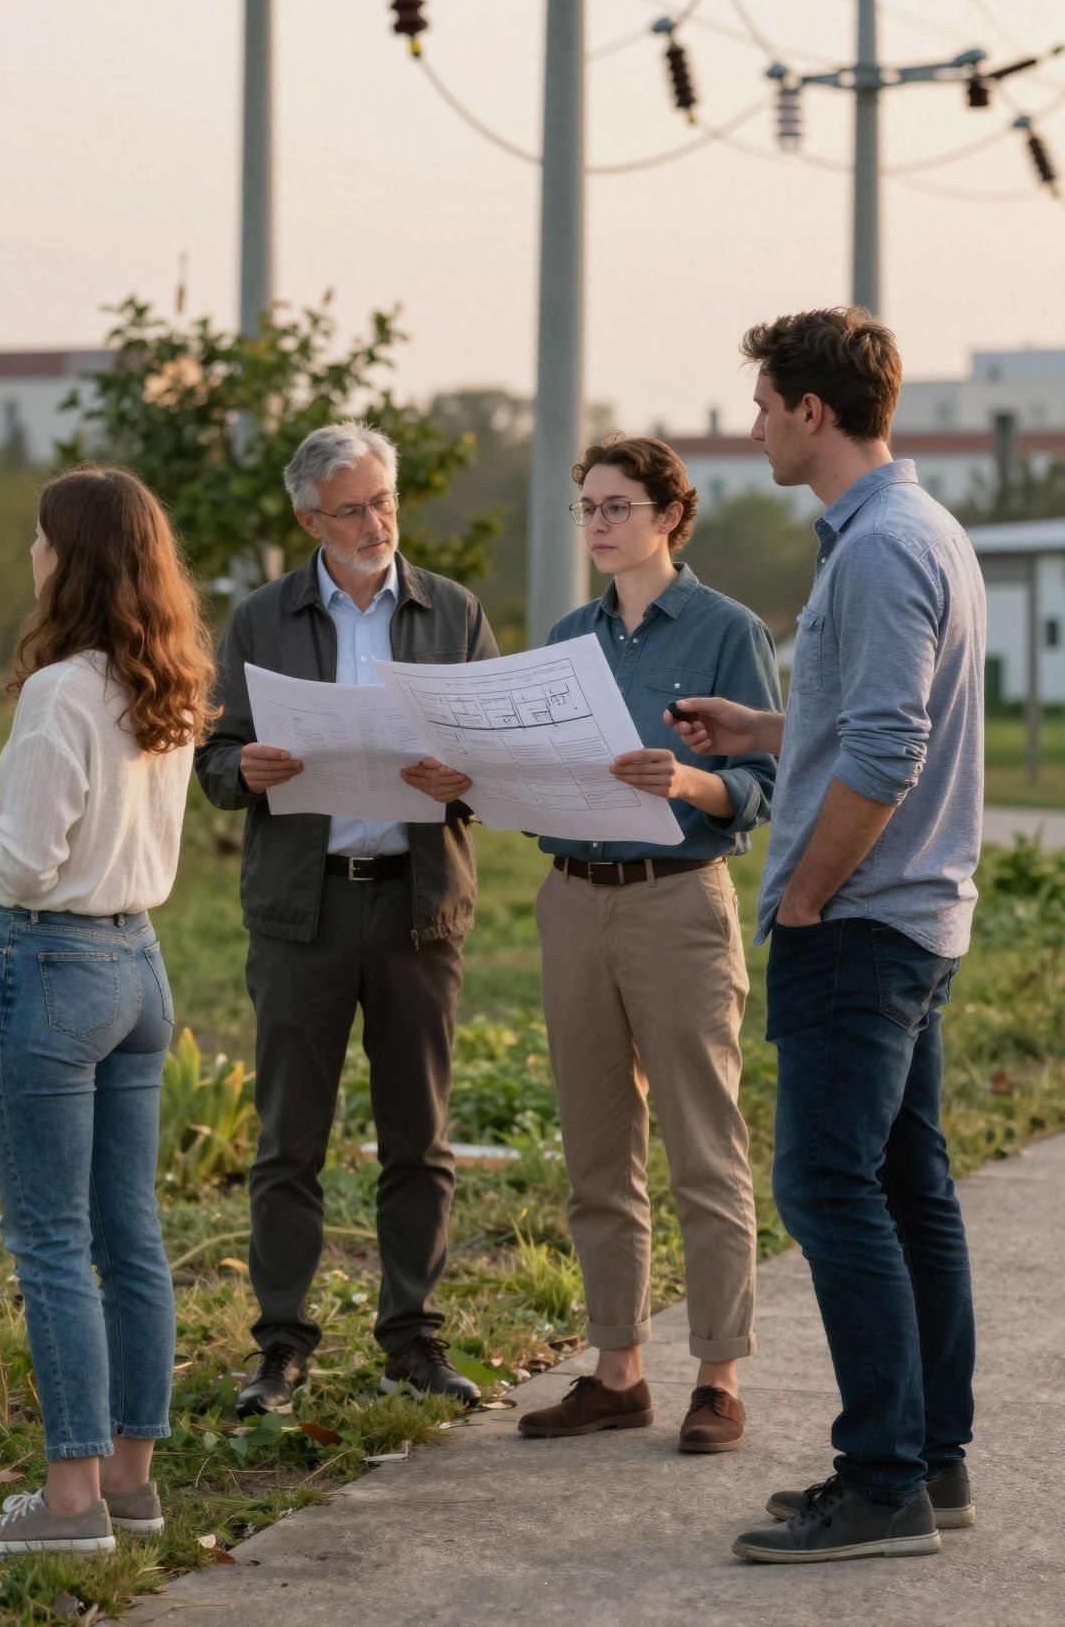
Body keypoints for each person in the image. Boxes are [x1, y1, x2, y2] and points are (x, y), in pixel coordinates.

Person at [668, 310, 985, 1566]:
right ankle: (930, 1462)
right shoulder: (917, 527)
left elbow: (890, 750)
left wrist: (804, 896)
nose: (753, 426)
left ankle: (882, 1481)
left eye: (763, 404)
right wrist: (763, 730)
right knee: (908, 1188)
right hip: (910, 918)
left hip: (860, 922)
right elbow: (864, 715)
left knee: (826, 1186)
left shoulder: (881, 546)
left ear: (813, 410)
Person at [0, 466, 217, 1561]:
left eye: (43, 538)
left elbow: (24, 863)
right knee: (129, 1234)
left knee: (51, 1241)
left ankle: (68, 1502)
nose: (32, 553)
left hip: (53, 967)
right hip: (137, 964)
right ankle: (131, 1483)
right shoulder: (167, 680)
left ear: (75, 558)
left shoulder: (60, 690)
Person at [195, 421, 499, 1419]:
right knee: (289, 1139)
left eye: (385, 502)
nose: (375, 523)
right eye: (352, 509)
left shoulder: (452, 611)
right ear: (308, 521)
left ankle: (413, 1338)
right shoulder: (261, 619)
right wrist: (243, 767)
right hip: (304, 907)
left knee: (421, 1136)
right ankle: (281, 1346)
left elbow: (499, 766)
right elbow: (211, 762)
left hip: (418, 906)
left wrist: (466, 778)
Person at [515, 435, 780, 1455]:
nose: (597, 523)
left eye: (617, 505)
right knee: (596, 1151)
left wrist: (687, 780)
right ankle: (617, 1370)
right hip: (572, 900)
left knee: (703, 1148)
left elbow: (760, 786)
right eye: (587, 507)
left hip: (677, 904)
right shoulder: (566, 636)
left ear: (670, 515)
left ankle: (718, 1376)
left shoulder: (727, 630)